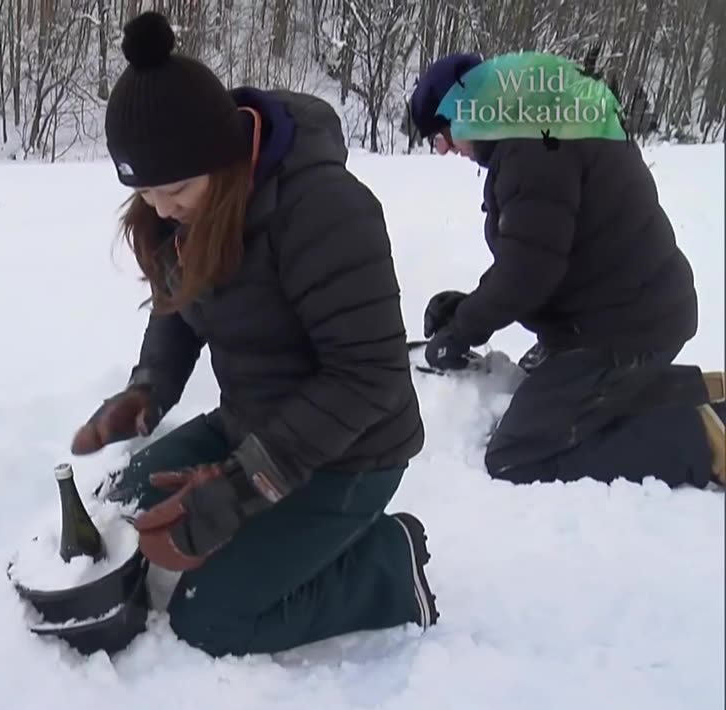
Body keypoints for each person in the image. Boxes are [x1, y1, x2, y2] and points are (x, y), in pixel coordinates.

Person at [67, 11, 437, 659]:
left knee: (209, 621)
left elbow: (369, 376)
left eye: (174, 188)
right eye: (144, 191)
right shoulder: (188, 210)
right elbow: (178, 310)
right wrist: (149, 387)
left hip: (349, 455)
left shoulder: (324, 210)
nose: (160, 208)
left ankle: (386, 562)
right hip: (248, 422)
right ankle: (277, 536)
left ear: (224, 157)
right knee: (118, 503)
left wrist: (243, 488)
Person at [408, 51, 726, 490]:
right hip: (614, 317)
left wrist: (464, 329)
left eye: (442, 134)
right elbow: (534, 250)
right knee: (540, 400)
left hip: (624, 328)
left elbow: (529, 271)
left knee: (516, 456)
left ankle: (699, 439)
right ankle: (669, 395)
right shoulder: (535, 132)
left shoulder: (534, 148)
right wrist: (470, 307)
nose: (443, 149)